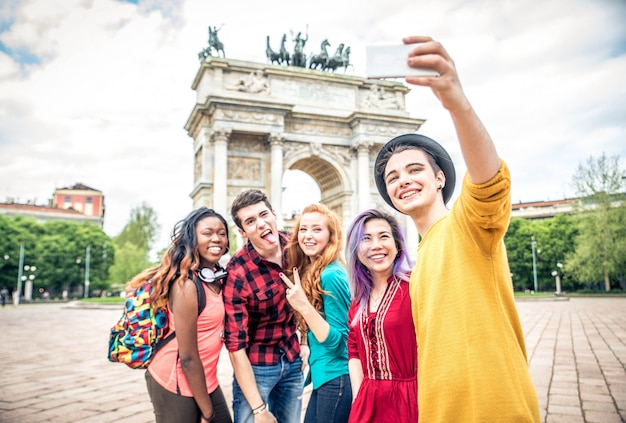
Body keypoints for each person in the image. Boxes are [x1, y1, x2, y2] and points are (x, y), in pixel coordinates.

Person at [373, 36, 541, 422]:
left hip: (494, 411)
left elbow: (488, 181)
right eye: (392, 177)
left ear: (439, 179)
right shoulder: (419, 257)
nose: (403, 181)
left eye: (415, 170)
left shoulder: (467, 225)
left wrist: (457, 104)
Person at [127, 207, 232, 423]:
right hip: (174, 381)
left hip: (205, 379)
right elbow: (188, 358)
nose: (217, 239)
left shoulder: (215, 278)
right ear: (192, 239)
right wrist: (208, 413)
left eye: (222, 233)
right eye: (207, 233)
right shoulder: (186, 285)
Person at [223, 189, 304, 423]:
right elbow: (235, 347)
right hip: (256, 366)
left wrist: (306, 345)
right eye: (250, 221)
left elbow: (313, 297)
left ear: (274, 214)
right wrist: (259, 410)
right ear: (242, 231)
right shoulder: (237, 273)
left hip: (292, 357)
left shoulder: (297, 247)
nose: (260, 224)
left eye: (263, 214)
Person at [279, 203, 352, 423]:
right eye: (303, 229)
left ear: (331, 236)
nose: (308, 236)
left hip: (337, 377)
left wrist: (304, 307)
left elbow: (340, 341)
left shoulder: (331, 275)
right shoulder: (315, 270)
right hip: (324, 377)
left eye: (317, 229)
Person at [344, 209, 417, 423]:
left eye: (384, 236)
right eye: (366, 239)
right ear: (356, 249)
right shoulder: (357, 300)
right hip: (367, 403)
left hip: (411, 401)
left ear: (397, 245)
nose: (376, 245)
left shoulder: (416, 286)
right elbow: (354, 350)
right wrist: (358, 397)